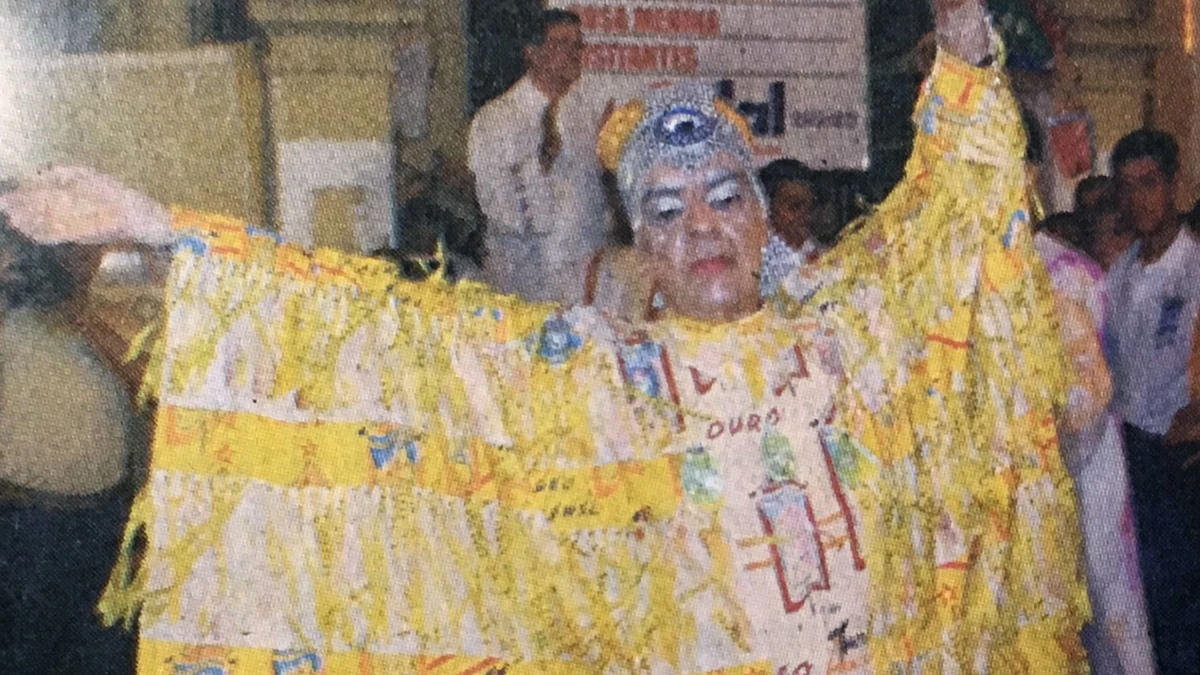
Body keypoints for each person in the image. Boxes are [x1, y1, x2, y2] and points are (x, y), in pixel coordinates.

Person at [103, 0, 1091, 672]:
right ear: (643, 249)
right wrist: (162, 229)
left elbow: (953, 214)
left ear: (761, 217)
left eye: (724, 197)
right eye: (666, 210)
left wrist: (962, 38)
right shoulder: (599, 378)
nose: (701, 226)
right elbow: (391, 338)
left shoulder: (856, 332)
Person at [0, 216, 145, 675]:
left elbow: (152, 391)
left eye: (89, 246)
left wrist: (87, 322)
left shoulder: (114, 318)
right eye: (67, 245)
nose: (82, 256)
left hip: (105, 524)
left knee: (104, 659)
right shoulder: (9, 314)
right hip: (22, 524)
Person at [1034, 212, 1156, 675]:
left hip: (1084, 488)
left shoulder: (1065, 276)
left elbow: (1095, 394)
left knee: (1109, 624)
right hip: (1031, 505)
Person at [1105, 128, 1200, 674]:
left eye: (1150, 183)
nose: (1138, 198)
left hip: (1180, 467)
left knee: (1181, 622)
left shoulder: (1195, 271)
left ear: (1174, 185)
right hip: (1127, 464)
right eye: (1127, 186)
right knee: (1139, 624)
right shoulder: (1116, 276)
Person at [468, 9, 610, 305]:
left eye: (578, 45)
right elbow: (498, 211)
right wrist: (542, 162)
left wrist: (612, 155)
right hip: (524, 283)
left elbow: (596, 203)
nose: (573, 53)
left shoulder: (586, 115)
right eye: (561, 44)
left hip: (584, 285)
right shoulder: (496, 120)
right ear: (532, 53)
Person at [757, 159, 830, 297]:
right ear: (766, 209)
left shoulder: (825, 257)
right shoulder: (755, 262)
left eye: (810, 208)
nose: (806, 216)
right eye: (794, 207)